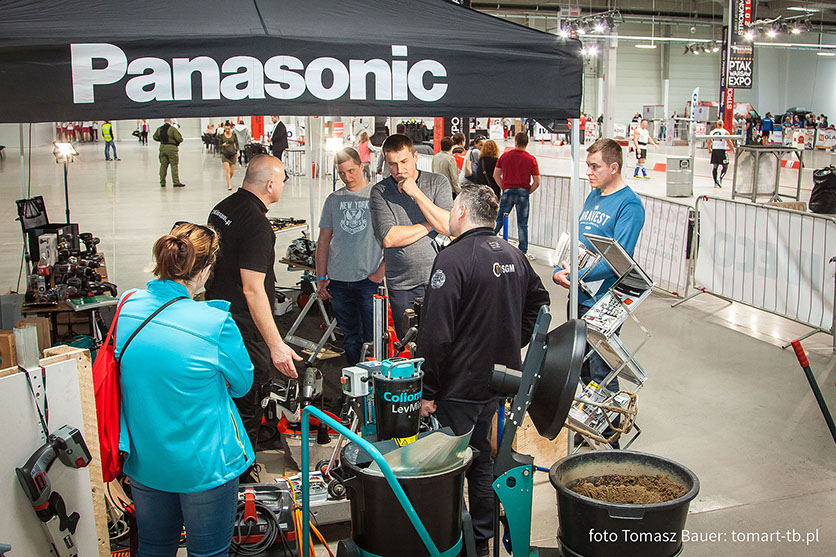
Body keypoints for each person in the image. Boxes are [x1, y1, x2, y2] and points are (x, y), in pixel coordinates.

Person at [418, 185, 550, 557]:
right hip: (498, 381)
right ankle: (481, 538)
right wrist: (511, 341)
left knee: (448, 466)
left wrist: (427, 391)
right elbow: (540, 304)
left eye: (452, 209)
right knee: (481, 459)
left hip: (458, 386)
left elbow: (436, 333)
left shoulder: (452, 258)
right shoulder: (514, 254)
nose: (449, 215)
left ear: (461, 212)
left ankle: (450, 542)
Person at [115, 222, 254, 557]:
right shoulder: (214, 322)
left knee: (153, 548)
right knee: (208, 553)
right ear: (204, 270)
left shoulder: (127, 306)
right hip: (205, 465)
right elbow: (242, 384)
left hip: (146, 461)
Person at [206, 155, 302, 468]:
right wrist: (276, 346)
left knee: (226, 394)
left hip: (217, 317)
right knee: (251, 394)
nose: (283, 186)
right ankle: (240, 470)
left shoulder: (223, 207)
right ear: (271, 185)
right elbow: (253, 289)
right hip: (243, 327)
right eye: (282, 181)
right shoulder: (258, 226)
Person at [553, 138, 645, 448]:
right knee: (579, 366)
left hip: (605, 301)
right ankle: (588, 425)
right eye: (588, 166)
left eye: (595, 166)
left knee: (602, 370)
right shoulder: (593, 195)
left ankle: (609, 438)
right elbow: (578, 244)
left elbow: (621, 258)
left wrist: (578, 274)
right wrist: (562, 269)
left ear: (614, 167)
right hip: (578, 296)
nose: (589, 172)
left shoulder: (629, 205)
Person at [369, 134, 453, 339]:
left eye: (404, 161)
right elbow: (389, 238)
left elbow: (448, 226)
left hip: (440, 279)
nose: (399, 170)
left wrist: (416, 193)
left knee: (442, 342)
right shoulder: (380, 191)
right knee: (409, 344)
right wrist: (431, 224)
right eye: (392, 164)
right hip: (402, 285)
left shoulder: (437, 182)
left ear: (415, 156)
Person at [315, 148, 385, 366]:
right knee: (351, 339)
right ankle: (356, 380)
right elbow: (323, 241)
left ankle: (374, 381)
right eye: (341, 173)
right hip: (339, 281)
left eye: (351, 170)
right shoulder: (333, 200)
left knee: (374, 339)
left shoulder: (378, 195)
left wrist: (379, 273)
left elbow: (393, 239)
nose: (347, 177)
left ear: (361, 166)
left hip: (368, 280)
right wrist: (320, 278)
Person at [493, 132, 540, 259]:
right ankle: (523, 251)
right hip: (523, 193)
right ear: (527, 143)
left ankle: (488, 240)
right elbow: (537, 181)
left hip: (507, 191)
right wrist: (527, 191)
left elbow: (496, 175)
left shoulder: (505, 156)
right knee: (522, 223)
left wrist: (504, 187)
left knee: (499, 219)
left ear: (516, 142)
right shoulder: (531, 159)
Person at [154, 118, 185, 188]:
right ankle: (176, 182)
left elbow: (155, 137)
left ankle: (162, 182)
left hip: (162, 148)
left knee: (163, 165)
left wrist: (161, 140)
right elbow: (179, 138)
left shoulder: (159, 129)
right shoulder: (172, 129)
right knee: (174, 165)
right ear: (170, 121)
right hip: (171, 148)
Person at [709, 120, 735, 188]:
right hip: (722, 150)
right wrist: (733, 150)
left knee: (715, 166)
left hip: (715, 150)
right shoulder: (725, 132)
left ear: (716, 124)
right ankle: (720, 178)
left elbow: (708, 141)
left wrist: (709, 149)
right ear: (723, 124)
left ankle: (715, 182)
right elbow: (729, 142)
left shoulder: (712, 132)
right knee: (725, 165)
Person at [219, 123, 240, 191]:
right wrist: (223, 145)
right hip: (225, 154)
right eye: (226, 129)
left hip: (232, 154)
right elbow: (219, 145)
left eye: (228, 129)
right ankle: (229, 185)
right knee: (227, 169)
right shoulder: (222, 136)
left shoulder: (234, 135)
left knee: (231, 171)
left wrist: (238, 151)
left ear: (230, 128)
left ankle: (228, 179)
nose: (227, 130)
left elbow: (237, 144)